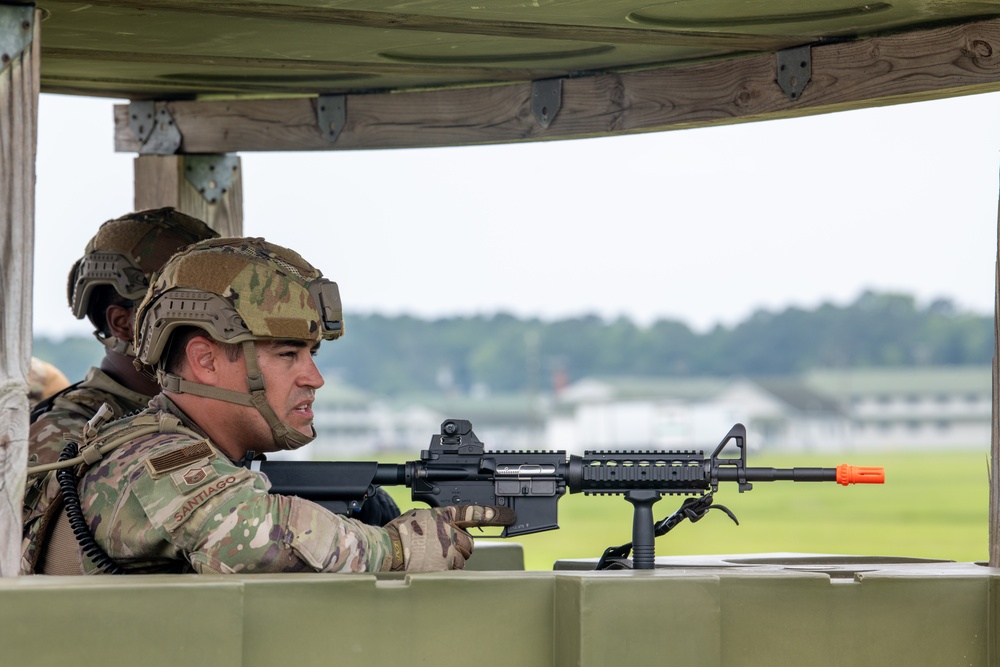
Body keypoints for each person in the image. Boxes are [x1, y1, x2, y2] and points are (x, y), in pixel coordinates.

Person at [22, 237, 513, 575]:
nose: (314, 379)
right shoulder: (150, 459)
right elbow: (252, 538)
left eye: (311, 354)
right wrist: (401, 547)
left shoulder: (189, 453)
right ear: (206, 359)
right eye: (287, 356)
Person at [27, 208, 220, 467]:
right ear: (123, 324)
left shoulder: (201, 416)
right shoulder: (65, 434)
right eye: (190, 312)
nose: (218, 331)